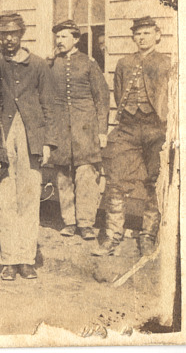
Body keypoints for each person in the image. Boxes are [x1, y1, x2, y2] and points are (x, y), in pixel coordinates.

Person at [0, 14, 56, 281]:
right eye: (3, 34)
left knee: (30, 197)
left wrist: (47, 142)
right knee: (6, 195)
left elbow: (49, 105)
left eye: (13, 33)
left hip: (32, 135)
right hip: (3, 134)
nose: (9, 39)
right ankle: (9, 259)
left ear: (22, 34)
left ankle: (26, 259)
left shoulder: (38, 64)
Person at [93, 16, 170, 257]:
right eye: (138, 33)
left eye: (147, 33)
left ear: (157, 35)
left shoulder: (167, 63)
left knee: (153, 182)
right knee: (115, 181)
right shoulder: (124, 63)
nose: (142, 37)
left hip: (155, 129)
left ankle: (147, 235)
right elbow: (118, 94)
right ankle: (113, 235)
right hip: (127, 127)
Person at [48, 20, 110, 240]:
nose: (59, 41)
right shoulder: (51, 64)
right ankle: (69, 222)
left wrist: (102, 131)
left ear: (75, 39)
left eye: (64, 37)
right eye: (57, 37)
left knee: (85, 175)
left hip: (86, 128)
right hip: (61, 130)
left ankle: (85, 223)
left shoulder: (89, 63)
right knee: (64, 176)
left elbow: (102, 98)